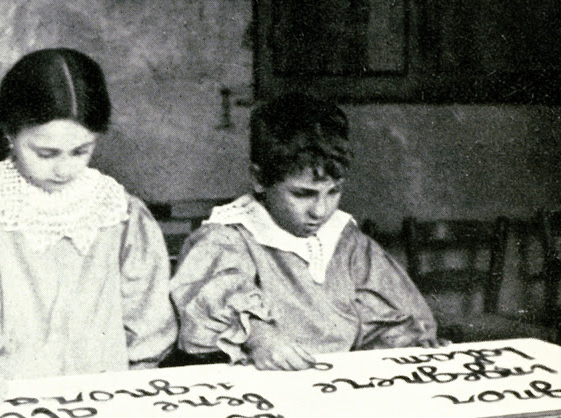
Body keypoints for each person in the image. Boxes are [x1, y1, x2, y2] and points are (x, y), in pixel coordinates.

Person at [0, 48, 177, 402]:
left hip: (106, 394)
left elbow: (145, 307)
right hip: (7, 396)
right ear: (10, 134)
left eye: (80, 152)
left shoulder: (119, 211)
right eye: (45, 153)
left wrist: (140, 373)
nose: (63, 169)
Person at [170, 92, 439, 371]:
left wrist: (409, 343)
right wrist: (257, 336)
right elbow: (206, 308)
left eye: (333, 192)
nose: (320, 211)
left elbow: (387, 323)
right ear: (259, 179)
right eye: (302, 194)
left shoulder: (346, 241)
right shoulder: (227, 238)